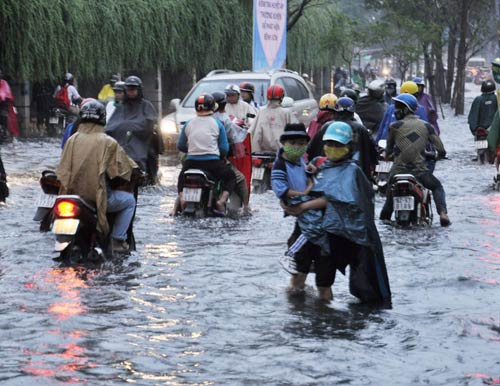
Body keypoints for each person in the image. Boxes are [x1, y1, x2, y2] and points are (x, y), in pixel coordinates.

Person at [285, 121, 392, 304]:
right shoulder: (317, 164)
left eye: (338, 145)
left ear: (349, 147)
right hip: (305, 233)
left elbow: (336, 200)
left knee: (324, 285)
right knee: (297, 278)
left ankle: (327, 318)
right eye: (330, 144)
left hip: (330, 238)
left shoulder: (352, 172)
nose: (332, 148)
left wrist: (304, 206)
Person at [56, 99, 139, 252]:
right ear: (102, 118)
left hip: (72, 196)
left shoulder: (72, 140)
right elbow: (123, 168)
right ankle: (117, 240)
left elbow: (62, 170)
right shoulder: (108, 142)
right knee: (129, 201)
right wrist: (136, 170)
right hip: (97, 199)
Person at [271, 123, 328, 298]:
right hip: (305, 218)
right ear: (284, 143)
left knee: (322, 275)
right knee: (299, 271)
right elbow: (282, 190)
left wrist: (311, 173)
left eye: (301, 143)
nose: (297, 147)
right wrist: (306, 193)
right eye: (293, 142)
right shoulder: (280, 165)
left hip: (312, 218)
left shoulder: (301, 162)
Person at [379, 93, 450, 226]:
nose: (395, 110)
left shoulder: (394, 126)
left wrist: (390, 155)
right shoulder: (426, 126)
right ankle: (443, 214)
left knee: (387, 205)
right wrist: (437, 156)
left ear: (406, 109)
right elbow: (441, 149)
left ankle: (386, 216)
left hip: (397, 172)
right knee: (437, 187)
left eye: (398, 107)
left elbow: (388, 152)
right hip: (420, 172)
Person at [176, 93, 236, 215]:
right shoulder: (217, 124)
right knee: (231, 176)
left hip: (191, 162)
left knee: (181, 178)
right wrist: (219, 155)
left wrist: (193, 150)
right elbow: (224, 148)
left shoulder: (188, 123)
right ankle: (221, 201)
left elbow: (180, 145)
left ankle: (182, 199)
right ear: (212, 107)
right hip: (212, 163)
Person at [307, 96, 378, 180]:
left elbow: (311, 150)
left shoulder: (326, 126)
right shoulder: (361, 129)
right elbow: (372, 151)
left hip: (327, 173)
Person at [106, 75, 157, 174]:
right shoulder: (121, 107)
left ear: (139, 90)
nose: (131, 91)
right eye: (129, 89)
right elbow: (111, 125)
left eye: (134, 89)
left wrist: (133, 127)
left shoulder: (146, 106)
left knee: (151, 155)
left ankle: (151, 177)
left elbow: (150, 124)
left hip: (141, 142)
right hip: (121, 143)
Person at [212, 91, 251, 214]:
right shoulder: (223, 121)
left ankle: (176, 207)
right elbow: (226, 145)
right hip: (214, 160)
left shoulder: (195, 121)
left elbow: (182, 145)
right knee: (238, 178)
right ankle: (245, 207)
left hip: (192, 161)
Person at [249, 85, 297, 153]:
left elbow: (253, 133)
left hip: (262, 154)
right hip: (283, 153)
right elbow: (295, 132)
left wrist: (255, 153)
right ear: (282, 97)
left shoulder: (261, 112)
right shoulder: (286, 113)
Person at [0, 68, 19, 139]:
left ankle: (5, 132)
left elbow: (7, 94)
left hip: (3, 107)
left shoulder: (4, 83)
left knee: (6, 119)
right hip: (4, 106)